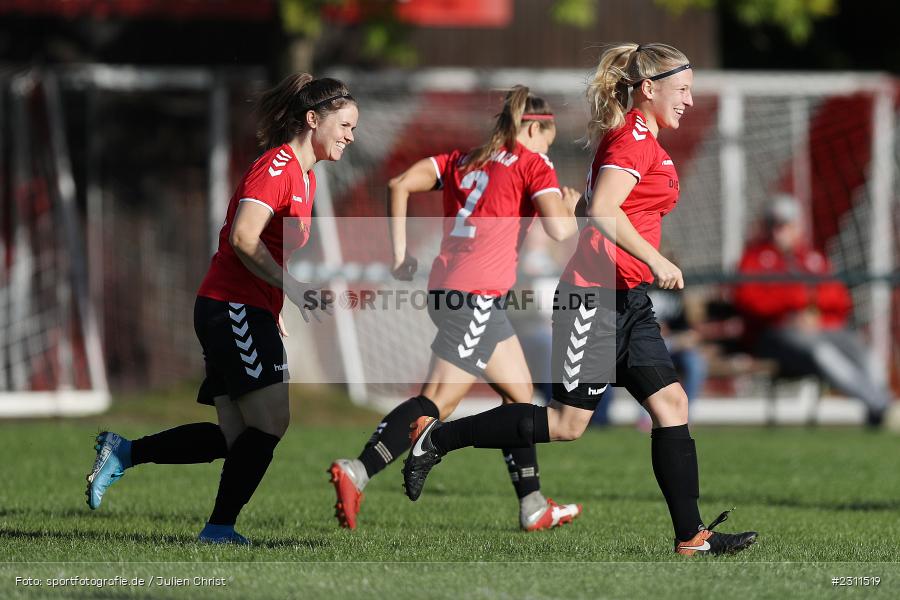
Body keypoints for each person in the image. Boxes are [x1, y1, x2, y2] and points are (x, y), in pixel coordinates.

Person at [402, 43, 758, 556]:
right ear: (649, 89)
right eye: (682, 90)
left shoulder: (642, 139)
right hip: (593, 300)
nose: (689, 101)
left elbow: (597, 204)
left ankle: (691, 537)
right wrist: (655, 259)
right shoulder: (634, 138)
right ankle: (437, 439)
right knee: (567, 424)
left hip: (627, 299)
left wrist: (596, 216)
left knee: (673, 403)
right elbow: (607, 210)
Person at [84, 74, 359, 544]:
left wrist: (274, 303)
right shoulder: (276, 168)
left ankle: (126, 454)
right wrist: (288, 287)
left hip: (245, 307)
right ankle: (217, 528)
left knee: (239, 438)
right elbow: (242, 238)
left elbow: (263, 250)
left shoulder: (306, 179)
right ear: (313, 120)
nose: (351, 136)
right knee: (272, 423)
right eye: (346, 125)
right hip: (232, 306)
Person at [329, 86, 584, 532]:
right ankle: (357, 471)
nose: (548, 146)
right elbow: (561, 230)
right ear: (534, 128)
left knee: (520, 398)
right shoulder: (532, 162)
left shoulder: (464, 160)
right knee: (437, 403)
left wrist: (400, 253)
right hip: (476, 296)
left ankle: (533, 505)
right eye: (547, 136)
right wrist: (570, 204)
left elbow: (399, 183)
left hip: (451, 289)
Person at [734, 194, 890, 426]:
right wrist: (794, 308)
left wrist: (811, 305)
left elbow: (839, 298)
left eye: (785, 225)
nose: (779, 232)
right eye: (774, 225)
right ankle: (881, 405)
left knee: (861, 348)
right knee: (822, 352)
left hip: (823, 328)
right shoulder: (754, 258)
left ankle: (881, 404)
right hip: (777, 336)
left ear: (797, 226)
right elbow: (749, 301)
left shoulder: (812, 258)